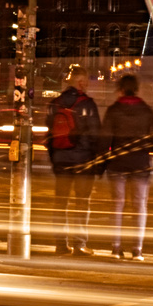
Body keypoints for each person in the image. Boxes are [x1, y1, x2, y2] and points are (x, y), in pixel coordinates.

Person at [44, 65, 103, 255]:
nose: (86, 85)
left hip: (60, 159)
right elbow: (95, 134)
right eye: (85, 81)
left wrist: (55, 156)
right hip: (82, 161)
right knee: (81, 202)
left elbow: (49, 132)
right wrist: (96, 159)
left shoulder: (55, 103)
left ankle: (60, 244)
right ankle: (79, 244)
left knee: (60, 203)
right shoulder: (87, 104)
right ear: (81, 82)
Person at [102, 74, 153, 261]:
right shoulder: (146, 110)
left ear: (120, 89)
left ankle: (116, 248)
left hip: (118, 163)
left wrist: (106, 158)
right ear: (137, 89)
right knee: (139, 205)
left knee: (117, 205)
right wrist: (146, 150)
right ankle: (137, 250)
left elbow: (104, 138)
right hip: (140, 163)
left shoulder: (113, 110)